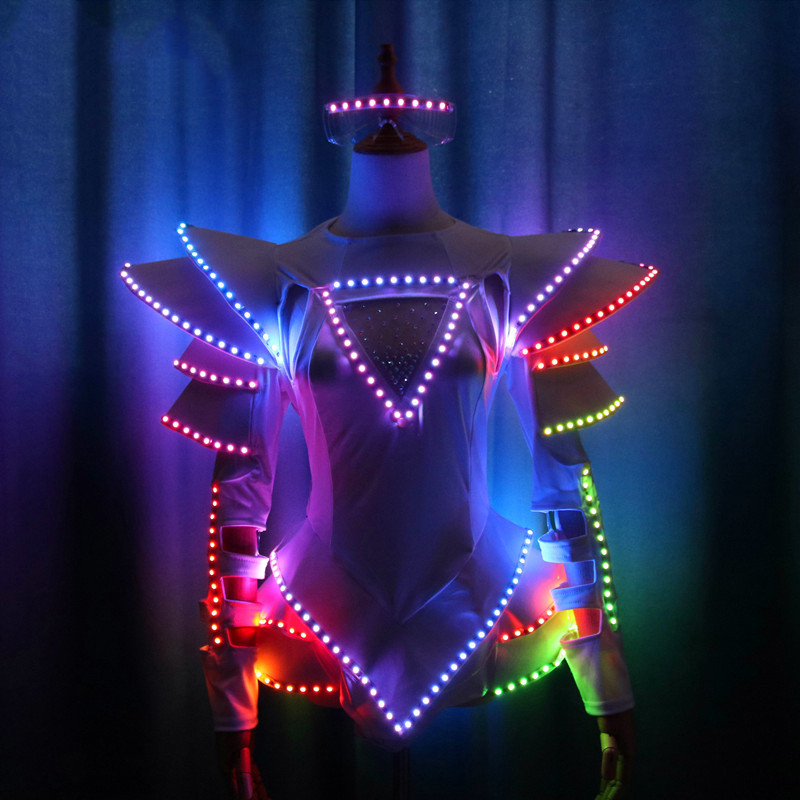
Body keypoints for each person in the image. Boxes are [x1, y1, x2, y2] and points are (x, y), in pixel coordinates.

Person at [122, 46, 653, 800]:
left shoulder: (507, 277)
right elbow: (239, 498)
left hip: (488, 600)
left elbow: (563, 483)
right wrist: (231, 713)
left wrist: (607, 689)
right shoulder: (272, 285)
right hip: (316, 610)